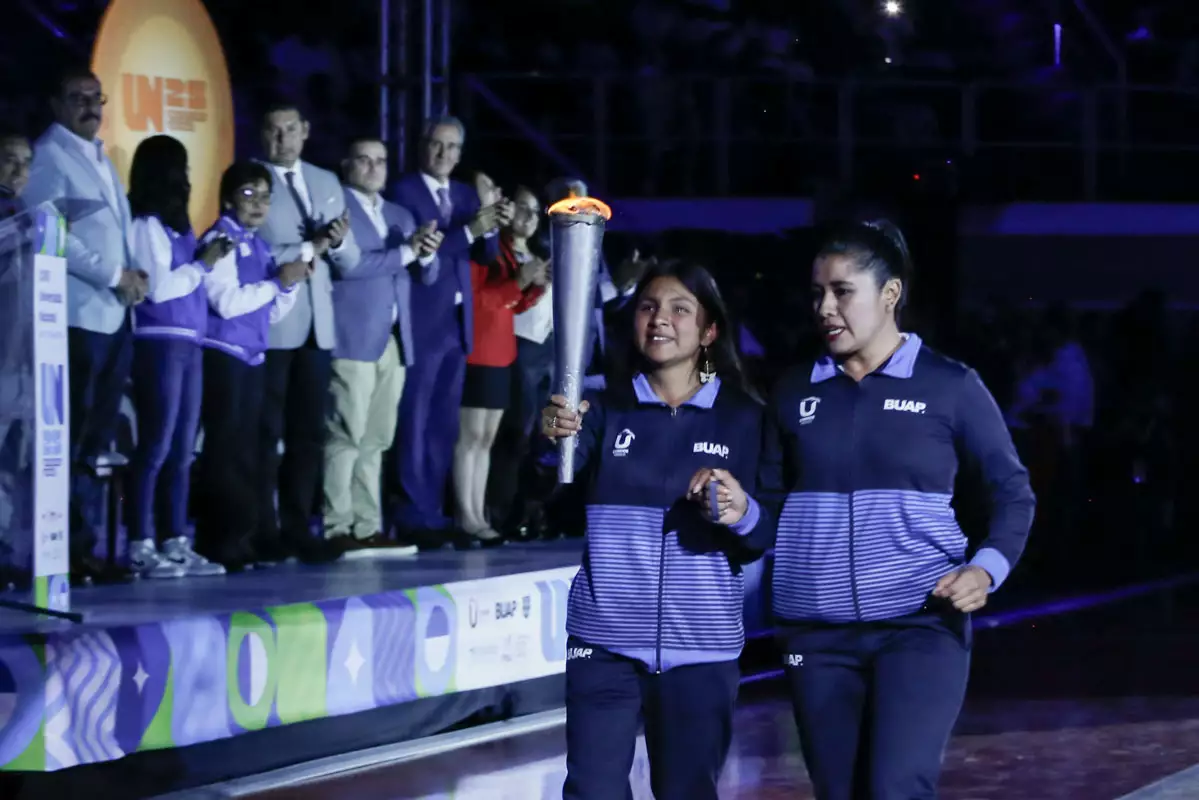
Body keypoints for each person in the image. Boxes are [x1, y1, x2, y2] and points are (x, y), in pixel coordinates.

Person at [759, 220, 1035, 800]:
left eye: (842, 291)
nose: (826, 308)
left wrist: (985, 569)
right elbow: (767, 505)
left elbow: (1012, 492)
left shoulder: (951, 386)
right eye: (817, 293)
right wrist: (733, 509)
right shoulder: (791, 392)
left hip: (920, 625)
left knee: (894, 788)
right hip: (816, 632)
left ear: (890, 294)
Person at [540, 260, 772, 800]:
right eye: (648, 307)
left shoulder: (746, 418)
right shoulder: (599, 407)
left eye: (679, 308)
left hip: (702, 651)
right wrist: (548, 445)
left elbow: (763, 534)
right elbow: (551, 500)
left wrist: (742, 512)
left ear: (709, 331)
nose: (659, 319)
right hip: (603, 645)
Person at [23, 65, 149, 585]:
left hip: (112, 315)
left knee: (97, 442)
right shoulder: (48, 157)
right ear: (55, 103)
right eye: (78, 97)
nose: (90, 106)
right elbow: (50, 230)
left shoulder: (97, 155)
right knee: (71, 440)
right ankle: (62, 549)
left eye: (97, 97)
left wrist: (131, 276)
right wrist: (115, 273)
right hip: (74, 317)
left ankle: (88, 547)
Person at [389, 116, 508, 548]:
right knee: (414, 421)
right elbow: (435, 245)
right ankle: (411, 513)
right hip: (422, 319)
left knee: (443, 424)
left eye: (453, 148)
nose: (444, 154)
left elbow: (488, 254)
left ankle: (436, 512)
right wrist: (473, 226)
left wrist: (490, 220)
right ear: (423, 146)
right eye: (437, 145)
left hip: (458, 326)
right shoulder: (405, 191)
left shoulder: (461, 194)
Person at [325, 136, 442, 554]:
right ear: (346, 165)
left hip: (394, 340)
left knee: (377, 438)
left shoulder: (400, 214)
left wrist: (426, 254)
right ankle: (335, 525)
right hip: (353, 336)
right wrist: (407, 252)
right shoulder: (336, 207)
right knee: (345, 435)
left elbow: (426, 275)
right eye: (364, 160)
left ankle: (366, 525)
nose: (374, 168)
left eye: (381, 160)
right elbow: (352, 265)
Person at [256, 100, 358, 565]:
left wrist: (334, 244)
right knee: (266, 433)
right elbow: (253, 249)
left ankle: (300, 526)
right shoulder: (250, 181)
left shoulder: (326, 181)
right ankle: (263, 528)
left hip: (319, 324)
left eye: (290, 129)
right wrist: (307, 244)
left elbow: (349, 257)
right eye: (274, 131)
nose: (282, 139)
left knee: (308, 435)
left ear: (306, 131)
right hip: (275, 323)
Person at [194, 162, 309, 571]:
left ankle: (244, 537)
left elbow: (271, 312)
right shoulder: (222, 238)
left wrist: (288, 284)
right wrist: (276, 284)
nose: (258, 204)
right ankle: (218, 539)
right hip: (222, 355)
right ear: (227, 198)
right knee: (225, 451)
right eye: (248, 194)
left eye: (264, 196)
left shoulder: (256, 244)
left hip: (252, 356)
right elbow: (225, 302)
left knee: (249, 452)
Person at [125, 134, 228, 579]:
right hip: (158, 339)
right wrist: (202, 264)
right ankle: (139, 541)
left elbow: (191, 283)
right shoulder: (144, 225)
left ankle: (174, 539)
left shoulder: (181, 228)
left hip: (189, 341)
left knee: (184, 448)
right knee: (156, 444)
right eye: (181, 170)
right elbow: (159, 287)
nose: (187, 180)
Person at [455, 178, 547, 545]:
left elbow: (514, 304)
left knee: (487, 439)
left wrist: (535, 285)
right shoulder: (486, 247)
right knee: (470, 437)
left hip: (501, 351)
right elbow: (483, 301)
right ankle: (466, 515)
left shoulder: (506, 250)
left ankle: (479, 513)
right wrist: (521, 281)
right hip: (478, 349)